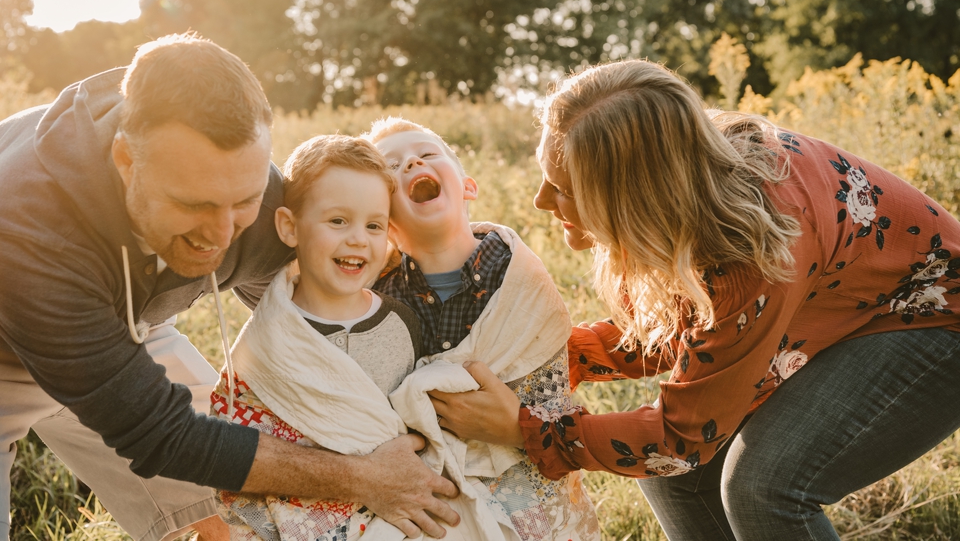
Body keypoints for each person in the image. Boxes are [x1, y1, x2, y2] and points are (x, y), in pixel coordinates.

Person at [430, 59, 960, 540]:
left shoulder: (754, 248)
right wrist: (565, 355)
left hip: (933, 322)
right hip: (851, 308)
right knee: (676, 482)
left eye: (564, 188)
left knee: (764, 488)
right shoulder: (695, 186)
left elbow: (682, 440)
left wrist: (527, 432)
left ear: (633, 199)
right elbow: (693, 328)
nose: (541, 200)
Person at [0, 34, 457, 541]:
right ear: (127, 161)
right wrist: (363, 478)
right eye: (194, 205)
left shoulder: (259, 206)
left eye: (242, 200)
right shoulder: (30, 231)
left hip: (132, 321)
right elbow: (161, 435)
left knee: (236, 512)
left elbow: (325, 308)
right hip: (7, 347)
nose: (220, 237)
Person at [367, 118, 601, 540]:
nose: (413, 161)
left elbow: (547, 374)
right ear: (384, 222)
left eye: (427, 153)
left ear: (468, 186)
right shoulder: (381, 298)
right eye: (392, 165)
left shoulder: (516, 272)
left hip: (523, 471)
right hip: (438, 485)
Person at [210, 134, 425, 540]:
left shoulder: (402, 323)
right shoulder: (270, 339)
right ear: (290, 227)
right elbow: (237, 436)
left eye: (374, 225)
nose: (358, 238)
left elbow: (419, 423)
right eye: (338, 221)